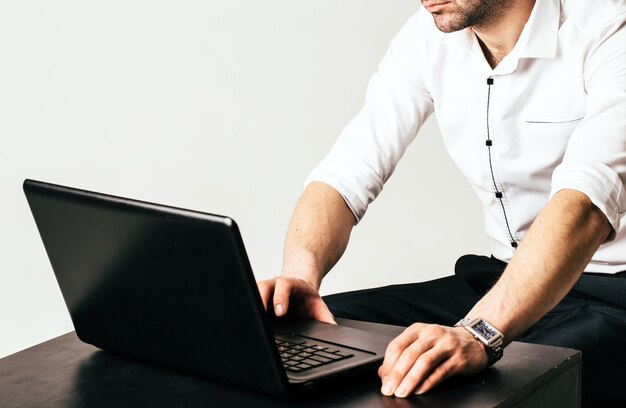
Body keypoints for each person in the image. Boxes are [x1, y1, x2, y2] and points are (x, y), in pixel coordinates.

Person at [258, 0, 626, 405]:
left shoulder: (608, 27)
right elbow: (349, 169)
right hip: (497, 278)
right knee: (286, 339)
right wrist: (300, 276)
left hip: (611, 295)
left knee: (469, 392)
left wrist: (479, 333)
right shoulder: (425, 37)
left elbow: (586, 202)